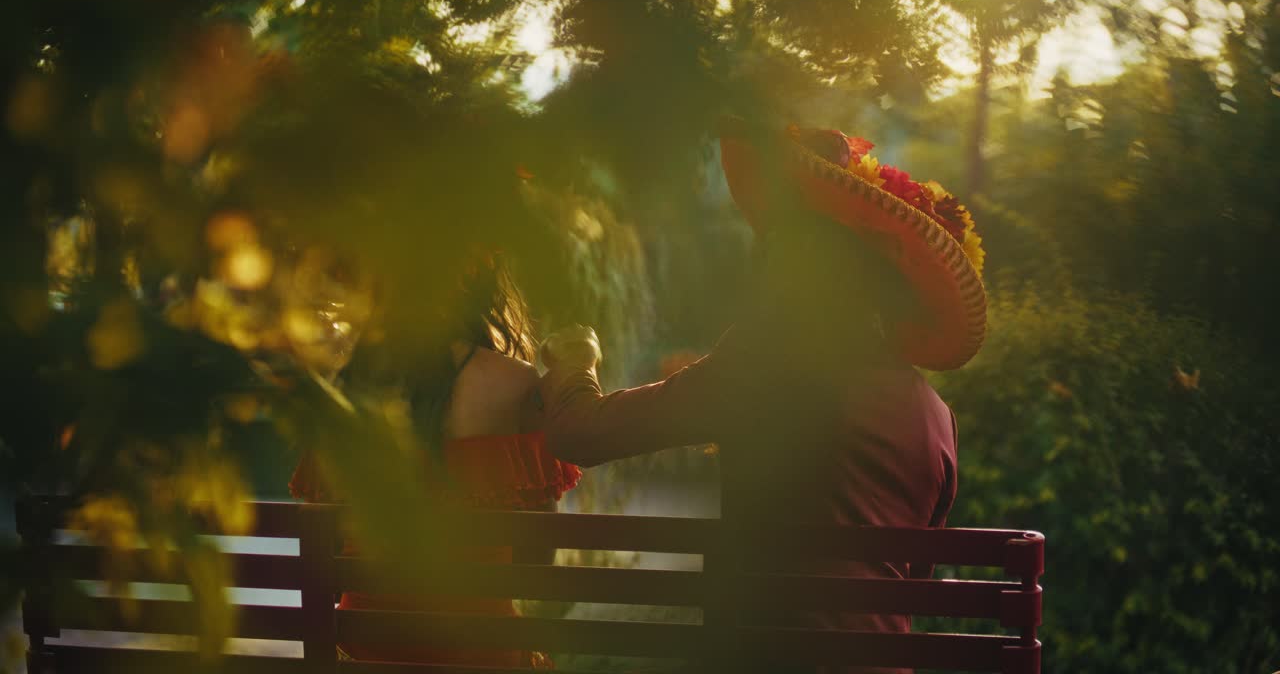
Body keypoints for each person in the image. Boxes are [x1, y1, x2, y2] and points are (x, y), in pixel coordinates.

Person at [538, 121, 987, 674]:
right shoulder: (935, 417)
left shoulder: (765, 364)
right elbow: (907, 588)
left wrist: (576, 359)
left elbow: (579, 432)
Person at [289, 251, 580, 668]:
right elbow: (536, 564)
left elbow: (325, 559)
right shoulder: (515, 384)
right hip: (481, 652)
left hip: (364, 653)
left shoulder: (341, 382)